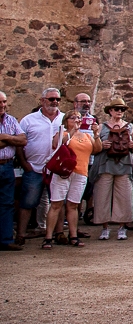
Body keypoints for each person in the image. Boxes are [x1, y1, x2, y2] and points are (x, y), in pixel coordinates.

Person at [42, 111, 101, 249]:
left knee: (73, 205)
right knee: (56, 204)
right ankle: (48, 236)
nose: (76, 120)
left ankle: (73, 235)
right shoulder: (62, 133)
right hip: (64, 172)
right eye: (73, 117)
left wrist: (96, 133)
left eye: (79, 118)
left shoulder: (86, 135)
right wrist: (73, 130)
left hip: (81, 172)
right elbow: (58, 144)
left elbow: (97, 149)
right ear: (66, 120)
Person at [17, 89, 63, 246]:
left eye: (57, 99)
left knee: (57, 202)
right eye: (51, 99)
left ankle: (59, 233)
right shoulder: (28, 120)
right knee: (27, 202)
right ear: (43, 100)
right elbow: (19, 142)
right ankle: (21, 234)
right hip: (34, 168)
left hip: (56, 169)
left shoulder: (63, 119)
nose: (54, 102)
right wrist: (24, 164)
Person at [93, 97, 133, 242]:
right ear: (110, 111)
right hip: (105, 164)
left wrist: (132, 146)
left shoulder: (129, 127)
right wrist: (102, 145)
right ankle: (105, 228)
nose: (119, 112)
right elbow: (94, 148)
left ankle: (121, 227)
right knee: (102, 196)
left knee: (124, 197)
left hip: (124, 165)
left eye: (122, 109)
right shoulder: (102, 127)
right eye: (117, 109)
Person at [0, 91, 27, 251]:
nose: (2, 105)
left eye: (4, 102)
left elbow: (23, 140)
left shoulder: (10, 120)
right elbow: (16, 140)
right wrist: (11, 139)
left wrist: (4, 137)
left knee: (7, 204)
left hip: (7, 166)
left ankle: (5, 239)